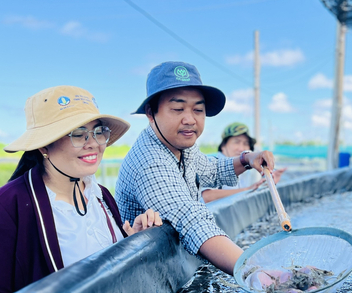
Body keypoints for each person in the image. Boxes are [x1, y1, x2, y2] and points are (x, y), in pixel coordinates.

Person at [0, 85, 162, 293]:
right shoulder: (3, 210)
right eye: (78, 134)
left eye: (99, 132)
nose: (93, 143)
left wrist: (130, 242)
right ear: (43, 145)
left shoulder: (100, 196)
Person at [116, 61, 277, 275]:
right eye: (177, 109)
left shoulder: (180, 144)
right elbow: (191, 219)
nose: (190, 119)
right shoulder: (150, 161)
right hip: (141, 276)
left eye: (198, 110)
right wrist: (257, 273)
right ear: (150, 112)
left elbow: (211, 168)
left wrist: (248, 159)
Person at [200, 122, 286, 203]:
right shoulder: (210, 163)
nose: (241, 148)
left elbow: (252, 189)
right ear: (223, 146)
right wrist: (247, 190)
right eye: (236, 142)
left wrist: (268, 183)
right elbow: (207, 196)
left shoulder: (247, 168)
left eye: (245, 143)